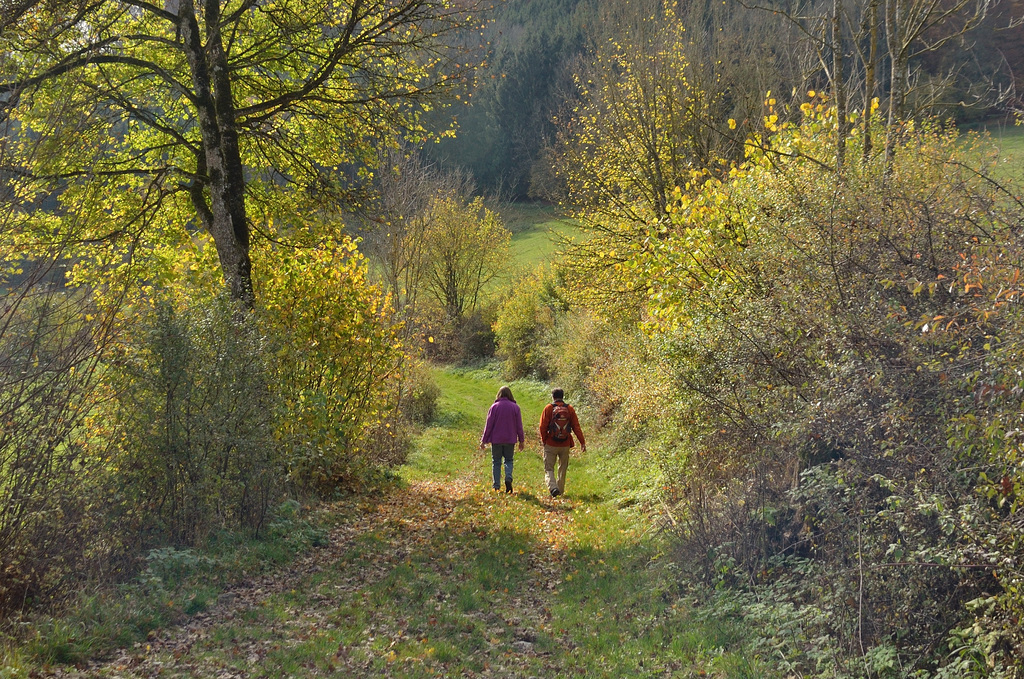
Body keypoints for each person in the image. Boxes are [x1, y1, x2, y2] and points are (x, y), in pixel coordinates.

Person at [538, 388, 585, 497]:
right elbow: (576, 427)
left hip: (551, 443)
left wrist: (545, 440)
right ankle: (560, 491)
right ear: (562, 396)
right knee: (562, 468)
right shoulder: (569, 409)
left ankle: (553, 488)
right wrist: (582, 442)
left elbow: (542, 426)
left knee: (549, 468)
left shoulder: (548, 408)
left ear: (553, 396)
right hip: (565, 444)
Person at [479, 385, 525, 493]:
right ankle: (508, 477)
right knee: (509, 460)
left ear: (499, 394)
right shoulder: (515, 408)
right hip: (510, 439)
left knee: (496, 462)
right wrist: (521, 440)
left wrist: (484, 440)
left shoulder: (494, 407)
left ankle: (496, 486)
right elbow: (519, 426)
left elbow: (489, 425)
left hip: (496, 439)